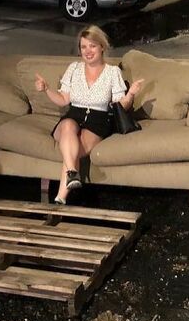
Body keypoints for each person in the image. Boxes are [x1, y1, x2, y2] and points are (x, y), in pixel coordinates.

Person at [35, 25, 144, 204]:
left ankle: (60, 199)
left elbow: (121, 105)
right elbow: (63, 100)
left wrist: (131, 94)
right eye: (83, 47)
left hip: (98, 121)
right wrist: (46, 89)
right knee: (69, 126)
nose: (88, 51)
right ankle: (71, 174)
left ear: (102, 47)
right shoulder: (74, 68)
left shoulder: (112, 72)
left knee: (72, 150)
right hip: (73, 116)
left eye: (92, 46)